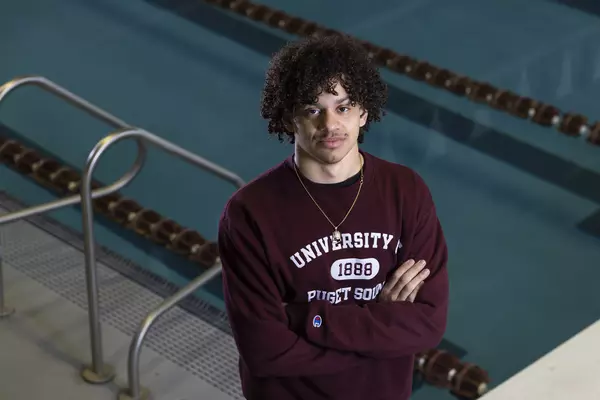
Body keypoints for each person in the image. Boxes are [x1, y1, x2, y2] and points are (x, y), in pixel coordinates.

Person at [217, 33, 449, 400]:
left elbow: (428, 324)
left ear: (363, 112)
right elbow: (266, 351)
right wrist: (380, 325)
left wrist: (306, 318)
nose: (330, 125)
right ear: (290, 116)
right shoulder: (250, 213)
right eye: (313, 109)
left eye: (343, 107)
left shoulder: (406, 191)